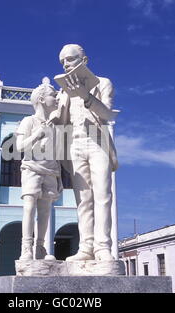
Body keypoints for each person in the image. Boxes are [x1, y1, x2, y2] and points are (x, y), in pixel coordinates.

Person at [54, 44, 118, 261]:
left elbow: (108, 115)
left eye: (70, 59)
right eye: (63, 62)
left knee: (102, 195)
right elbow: (61, 122)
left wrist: (85, 95)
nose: (66, 64)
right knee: (83, 200)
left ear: (85, 60)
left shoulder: (102, 83)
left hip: (97, 142)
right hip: (75, 145)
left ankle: (102, 248)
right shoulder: (63, 92)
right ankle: (86, 248)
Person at [15, 81, 62, 261]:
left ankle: (40, 247)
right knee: (29, 207)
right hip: (31, 169)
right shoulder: (29, 121)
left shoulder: (54, 125)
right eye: (53, 95)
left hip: (50, 170)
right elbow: (19, 147)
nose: (56, 98)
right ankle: (26, 248)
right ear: (42, 99)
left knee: (45, 210)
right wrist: (37, 134)